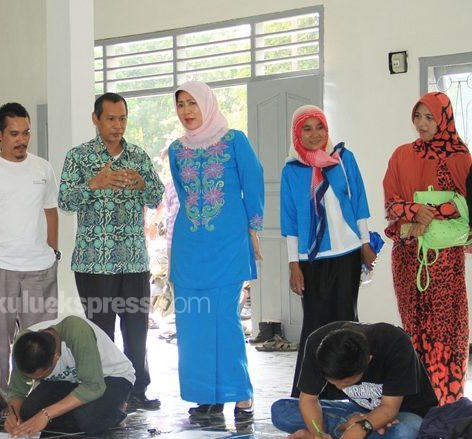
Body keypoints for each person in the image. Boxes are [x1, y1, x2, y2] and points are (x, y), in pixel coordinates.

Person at [58, 92, 164, 410]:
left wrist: (141, 184)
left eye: (122, 119)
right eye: (111, 119)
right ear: (96, 119)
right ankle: (103, 392)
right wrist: (95, 183)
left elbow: (157, 195)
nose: (118, 126)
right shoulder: (78, 157)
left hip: (133, 260)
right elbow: (65, 200)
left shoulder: (138, 157)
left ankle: (137, 389)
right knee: (101, 332)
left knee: (136, 330)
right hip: (94, 262)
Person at [168, 81, 263, 418]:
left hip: (228, 243)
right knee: (192, 321)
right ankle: (205, 394)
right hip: (189, 245)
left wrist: (254, 228)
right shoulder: (176, 150)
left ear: (207, 104)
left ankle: (239, 391)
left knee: (224, 318)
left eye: (193, 103)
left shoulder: (234, 140)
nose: (187, 111)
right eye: (181, 105)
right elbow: (182, 193)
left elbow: (253, 181)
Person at [0, 102, 59, 397]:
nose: (22, 140)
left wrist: (52, 253)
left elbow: (51, 212)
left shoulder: (43, 168)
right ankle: (3, 395)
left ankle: (36, 394)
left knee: (40, 337)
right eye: (14, 133)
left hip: (39, 269)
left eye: (26, 133)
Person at [383, 92, 471, 405]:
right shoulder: (402, 155)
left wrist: (432, 211)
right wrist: (412, 212)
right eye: (417, 116)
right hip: (408, 257)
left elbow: (466, 206)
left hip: (444, 259)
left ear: (443, 119)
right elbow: (390, 204)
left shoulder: (460, 157)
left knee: (446, 329)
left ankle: (447, 401)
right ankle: (419, 401)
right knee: (414, 328)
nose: (421, 124)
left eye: (429, 117)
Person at [281, 105, 376, 398]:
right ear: (297, 134)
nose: (314, 135)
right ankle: (309, 393)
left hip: (347, 252)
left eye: (319, 127)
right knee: (315, 326)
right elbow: (290, 220)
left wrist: (364, 242)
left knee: (346, 321)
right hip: (312, 259)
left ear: (326, 129)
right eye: (306, 129)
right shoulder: (292, 170)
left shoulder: (343, 159)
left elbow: (359, 201)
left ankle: (349, 393)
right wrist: (293, 263)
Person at [271, 321, 437, 439]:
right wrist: (317, 434)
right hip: (358, 412)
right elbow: (308, 400)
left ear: (368, 360)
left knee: (405, 438)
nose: (340, 388)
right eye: (333, 383)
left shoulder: (394, 343)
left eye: (346, 382)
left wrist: (361, 427)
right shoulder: (319, 344)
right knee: (280, 410)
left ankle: (343, 435)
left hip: (403, 414)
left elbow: (389, 409)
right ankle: (340, 434)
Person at [4, 315, 135, 437]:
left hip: (109, 377)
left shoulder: (76, 332)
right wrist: (14, 415)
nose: (36, 380)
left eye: (41, 376)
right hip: (69, 381)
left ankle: (114, 410)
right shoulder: (23, 346)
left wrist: (46, 414)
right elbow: (17, 391)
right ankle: (99, 409)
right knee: (28, 412)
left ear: (56, 356)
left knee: (87, 420)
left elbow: (93, 386)